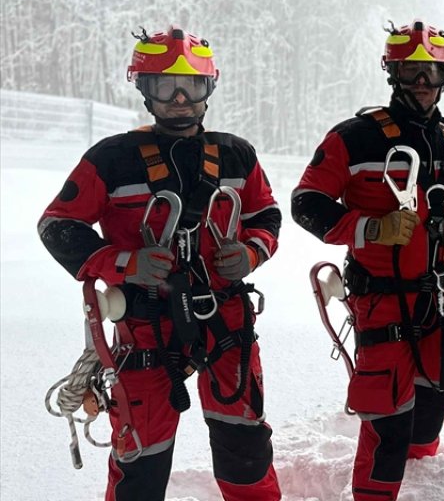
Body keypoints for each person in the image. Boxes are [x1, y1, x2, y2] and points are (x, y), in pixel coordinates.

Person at [39, 26, 282, 500]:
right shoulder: (112, 159)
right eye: (162, 85)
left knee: (245, 446)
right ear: (143, 90)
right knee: (140, 465)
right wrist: (123, 262)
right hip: (145, 330)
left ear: (208, 88)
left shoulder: (236, 154)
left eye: (190, 85)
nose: (178, 98)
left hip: (227, 324)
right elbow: (58, 225)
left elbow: (266, 214)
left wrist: (252, 251)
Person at [292, 19, 444, 500]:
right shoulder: (355, 139)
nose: (422, 82)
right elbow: (306, 203)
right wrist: (369, 228)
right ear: (392, 72)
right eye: (411, 70)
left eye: (432, 72)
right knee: (387, 421)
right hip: (383, 304)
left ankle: (423, 485)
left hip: (442, 302)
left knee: (430, 411)